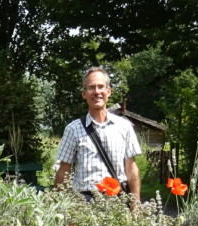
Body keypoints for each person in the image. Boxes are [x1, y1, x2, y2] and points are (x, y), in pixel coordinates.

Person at [53, 67, 141, 204]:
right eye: (91, 87)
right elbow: (64, 170)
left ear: (108, 91)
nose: (97, 92)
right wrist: (58, 207)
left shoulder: (124, 127)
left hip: (118, 200)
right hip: (84, 202)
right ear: (84, 94)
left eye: (101, 87)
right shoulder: (73, 129)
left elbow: (131, 168)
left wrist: (135, 204)